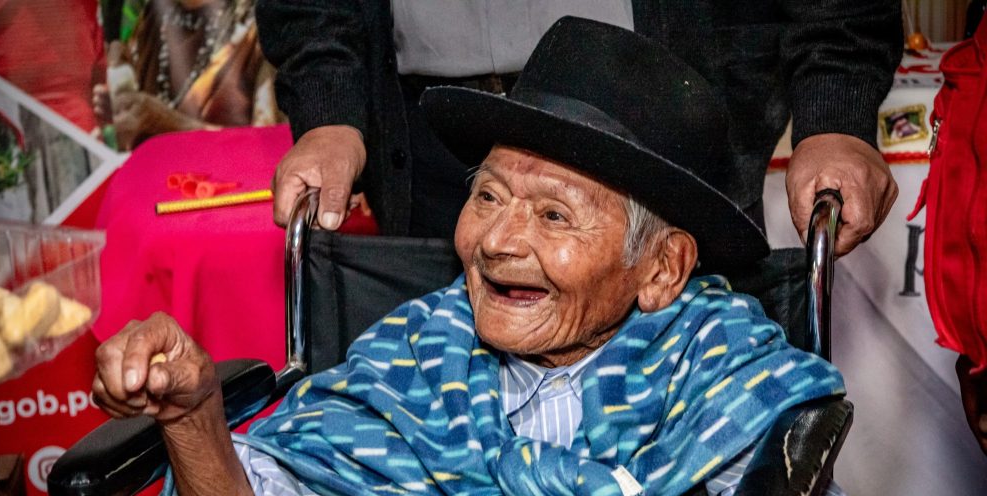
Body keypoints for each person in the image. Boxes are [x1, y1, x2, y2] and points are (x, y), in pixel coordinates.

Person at [93, 20, 898, 496]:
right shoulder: (413, 355)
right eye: (488, 196)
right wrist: (195, 421)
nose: (499, 242)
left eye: (553, 216)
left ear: (660, 269)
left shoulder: (719, 370)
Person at [256, 1, 901, 258]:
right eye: (493, 203)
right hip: (431, 132)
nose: (510, 239)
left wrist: (834, 116)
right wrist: (330, 111)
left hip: (660, 122)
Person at [93, 0, 280, 151]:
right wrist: (122, 112)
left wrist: (167, 123)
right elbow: (143, 112)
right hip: (156, 188)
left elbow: (268, 152)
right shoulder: (153, 15)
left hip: (223, 192)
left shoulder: (264, 26)